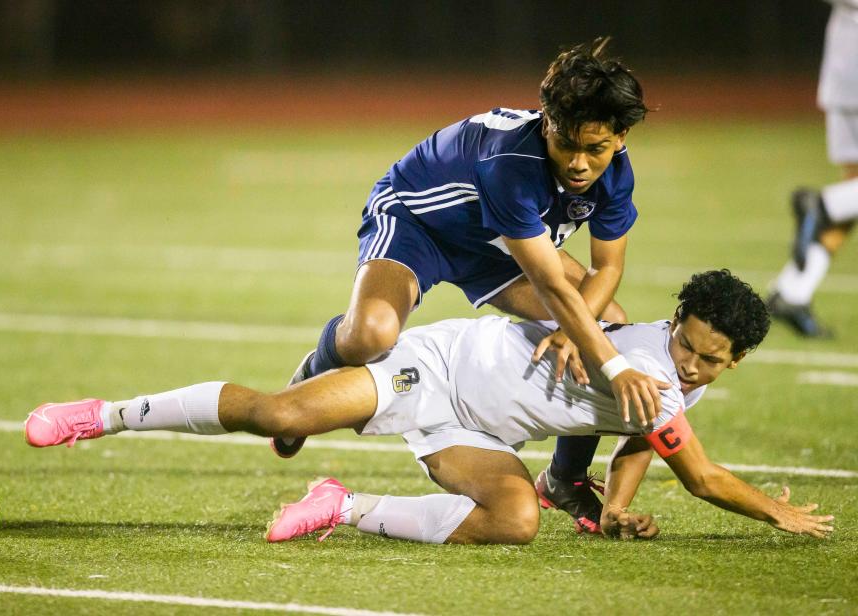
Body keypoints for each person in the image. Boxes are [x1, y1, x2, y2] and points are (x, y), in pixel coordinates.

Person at [24, 270, 834, 544]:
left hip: (476, 430)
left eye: (710, 359)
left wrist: (616, 505)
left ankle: (343, 504)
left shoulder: (673, 382)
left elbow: (636, 438)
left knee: (516, 519)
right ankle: (104, 414)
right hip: (439, 368)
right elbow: (696, 473)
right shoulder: (655, 369)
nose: (692, 363)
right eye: (687, 345)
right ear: (677, 325)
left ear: (735, 359)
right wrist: (777, 513)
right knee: (281, 417)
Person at [273, 38, 667, 534]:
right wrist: (605, 359)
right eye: (567, 144)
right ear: (547, 125)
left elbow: (606, 269)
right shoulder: (510, 162)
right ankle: (321, 361)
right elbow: (548, 281)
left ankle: (565, 478)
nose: (579, 164)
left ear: (621, 137)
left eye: (596, 149)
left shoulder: (615, 175)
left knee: (610, 322)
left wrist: (579, 335)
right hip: (421, 221)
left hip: (497, 242)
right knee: (371, 336)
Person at [768, 0, 858, 338]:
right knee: (845, 199)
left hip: (844, 68)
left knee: (855, 189)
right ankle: (822, 203)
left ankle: (794, 291)